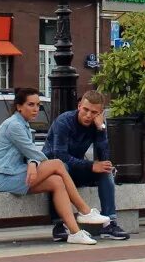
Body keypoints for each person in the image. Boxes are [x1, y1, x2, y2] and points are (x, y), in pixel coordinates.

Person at [0, 88, 111, 245]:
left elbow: (30, 154)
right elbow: (34, 153)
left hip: (18, 174)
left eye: (38, 105)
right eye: (30, 104)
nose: (35, 109)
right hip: (4, 177)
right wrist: (35, 162)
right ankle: (85, 211)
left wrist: (33, 164)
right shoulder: (14, 126)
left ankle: (75, 233)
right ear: (19, 106)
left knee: (57, 182)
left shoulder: (23, 125)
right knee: (58, 164)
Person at [43, 89, 130, 241]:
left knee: (105, 170)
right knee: (62, 168)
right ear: (79, 106)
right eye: (85, 110)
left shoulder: (97, 125)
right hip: (53, 170)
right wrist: (90, 166)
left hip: (76, 169)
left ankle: (109, 223)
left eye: (94, 112)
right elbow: (59, 156)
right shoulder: (64, 121)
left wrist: (101, 129)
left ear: (100, 113)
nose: (89, 115)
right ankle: (59, 225)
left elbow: (104, 158)